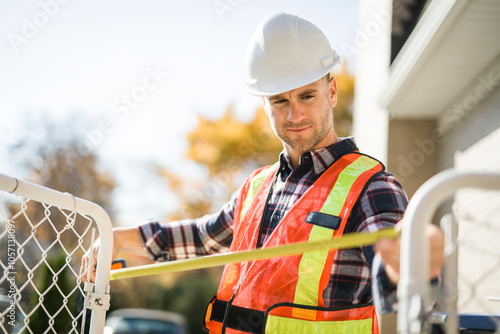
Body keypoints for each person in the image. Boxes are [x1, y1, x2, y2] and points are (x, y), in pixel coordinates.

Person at [80, 12, 444, 333]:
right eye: (280, 101)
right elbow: (204, 236)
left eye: (307, 96)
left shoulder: (372, 187)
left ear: (331, 91)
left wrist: (412, 265)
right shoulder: (259, 186)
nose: (294, 115)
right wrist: (117, 238)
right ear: (265, 104)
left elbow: (395, 263)